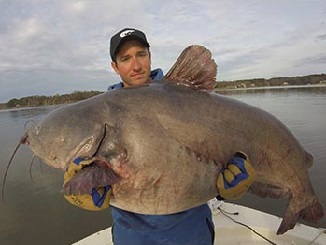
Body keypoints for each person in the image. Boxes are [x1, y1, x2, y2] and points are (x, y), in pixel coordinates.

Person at [63, 28, 256, 245]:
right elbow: (82, 168)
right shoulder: (99, 117)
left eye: (141, 55)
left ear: (150, 56)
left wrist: (227, 188)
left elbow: (215, 153)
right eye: (126, 58)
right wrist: (80, 189)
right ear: (115, 67)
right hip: (132, 236)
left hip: (191, 232)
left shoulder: (184, 98)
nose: (136, 65)